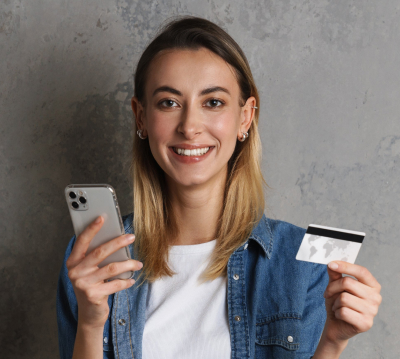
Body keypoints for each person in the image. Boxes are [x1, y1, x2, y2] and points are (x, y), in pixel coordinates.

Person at [57, 16, 382, 359]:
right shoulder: (93, 259)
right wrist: (91, 324)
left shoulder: (307, 260)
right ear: (141, 117)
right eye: (169, 102)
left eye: (213, 102)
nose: (190, 126)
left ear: (245, 117)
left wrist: (333, 341)